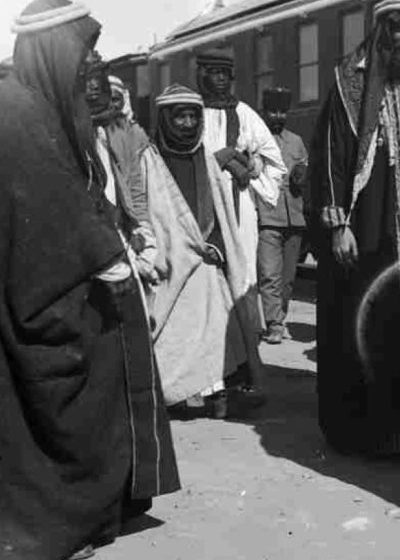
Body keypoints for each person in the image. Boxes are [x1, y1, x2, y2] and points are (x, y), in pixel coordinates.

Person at [0, 0, 180, 560]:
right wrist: (107, 255)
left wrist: (114, 238)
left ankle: (98, 503)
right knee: (77, 380)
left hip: (48, 273)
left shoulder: (37, 104)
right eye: (80, 46)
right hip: (36, 287)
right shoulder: (18, 111)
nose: (88, 59)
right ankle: (59, 521)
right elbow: (51, 204)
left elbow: (76, 190)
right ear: (50, 48)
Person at [308, 0, 400, 456]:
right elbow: (330, 157)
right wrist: (337, 224)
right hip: (368, 225)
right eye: (399, 28)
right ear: (382, 29)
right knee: (374, 322)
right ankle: (377, 436)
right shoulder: (348, 81)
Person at [138, 85, 265, 418]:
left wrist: (218, 249)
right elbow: (154, 215)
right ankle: (173, 394)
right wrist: (178, 250)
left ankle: (222, 395)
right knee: (175, 332)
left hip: (209, 260)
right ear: (165, 118)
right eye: (179, 115)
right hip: (172, 262)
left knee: (222, 320)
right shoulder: (148, 162)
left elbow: (219, 211)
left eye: (193, 115)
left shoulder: (205, 159)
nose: (187, 123)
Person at [194, 43, 287, 358]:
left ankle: (247, 349)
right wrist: (214, 161)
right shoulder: (190, 111)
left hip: (238, 206)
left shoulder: (244, 113)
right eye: (213, 73)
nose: (219, 80)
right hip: (201, 206)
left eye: (225, 74)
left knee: (243, 270)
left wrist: (253, 166)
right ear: (202, 75)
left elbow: (273, 161)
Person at [84, 51, 156, 280]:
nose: (94, 86)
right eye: (87, 79)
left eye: (99, 78)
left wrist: (141, 228)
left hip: (122, 231)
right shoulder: (71, 131)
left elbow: (134, 182)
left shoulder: (118, 128)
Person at [257, 86, 308, 345]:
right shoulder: (255, 140)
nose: (277, 116)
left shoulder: (296, 141)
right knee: (270, 275)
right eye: (272, 111)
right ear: (264, 112)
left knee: (288, 278)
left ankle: (281, 318)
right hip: (267, 217)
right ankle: (274, 324)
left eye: (281, 111)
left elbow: (304, 170)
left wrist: (303, 174)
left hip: (295, 218)